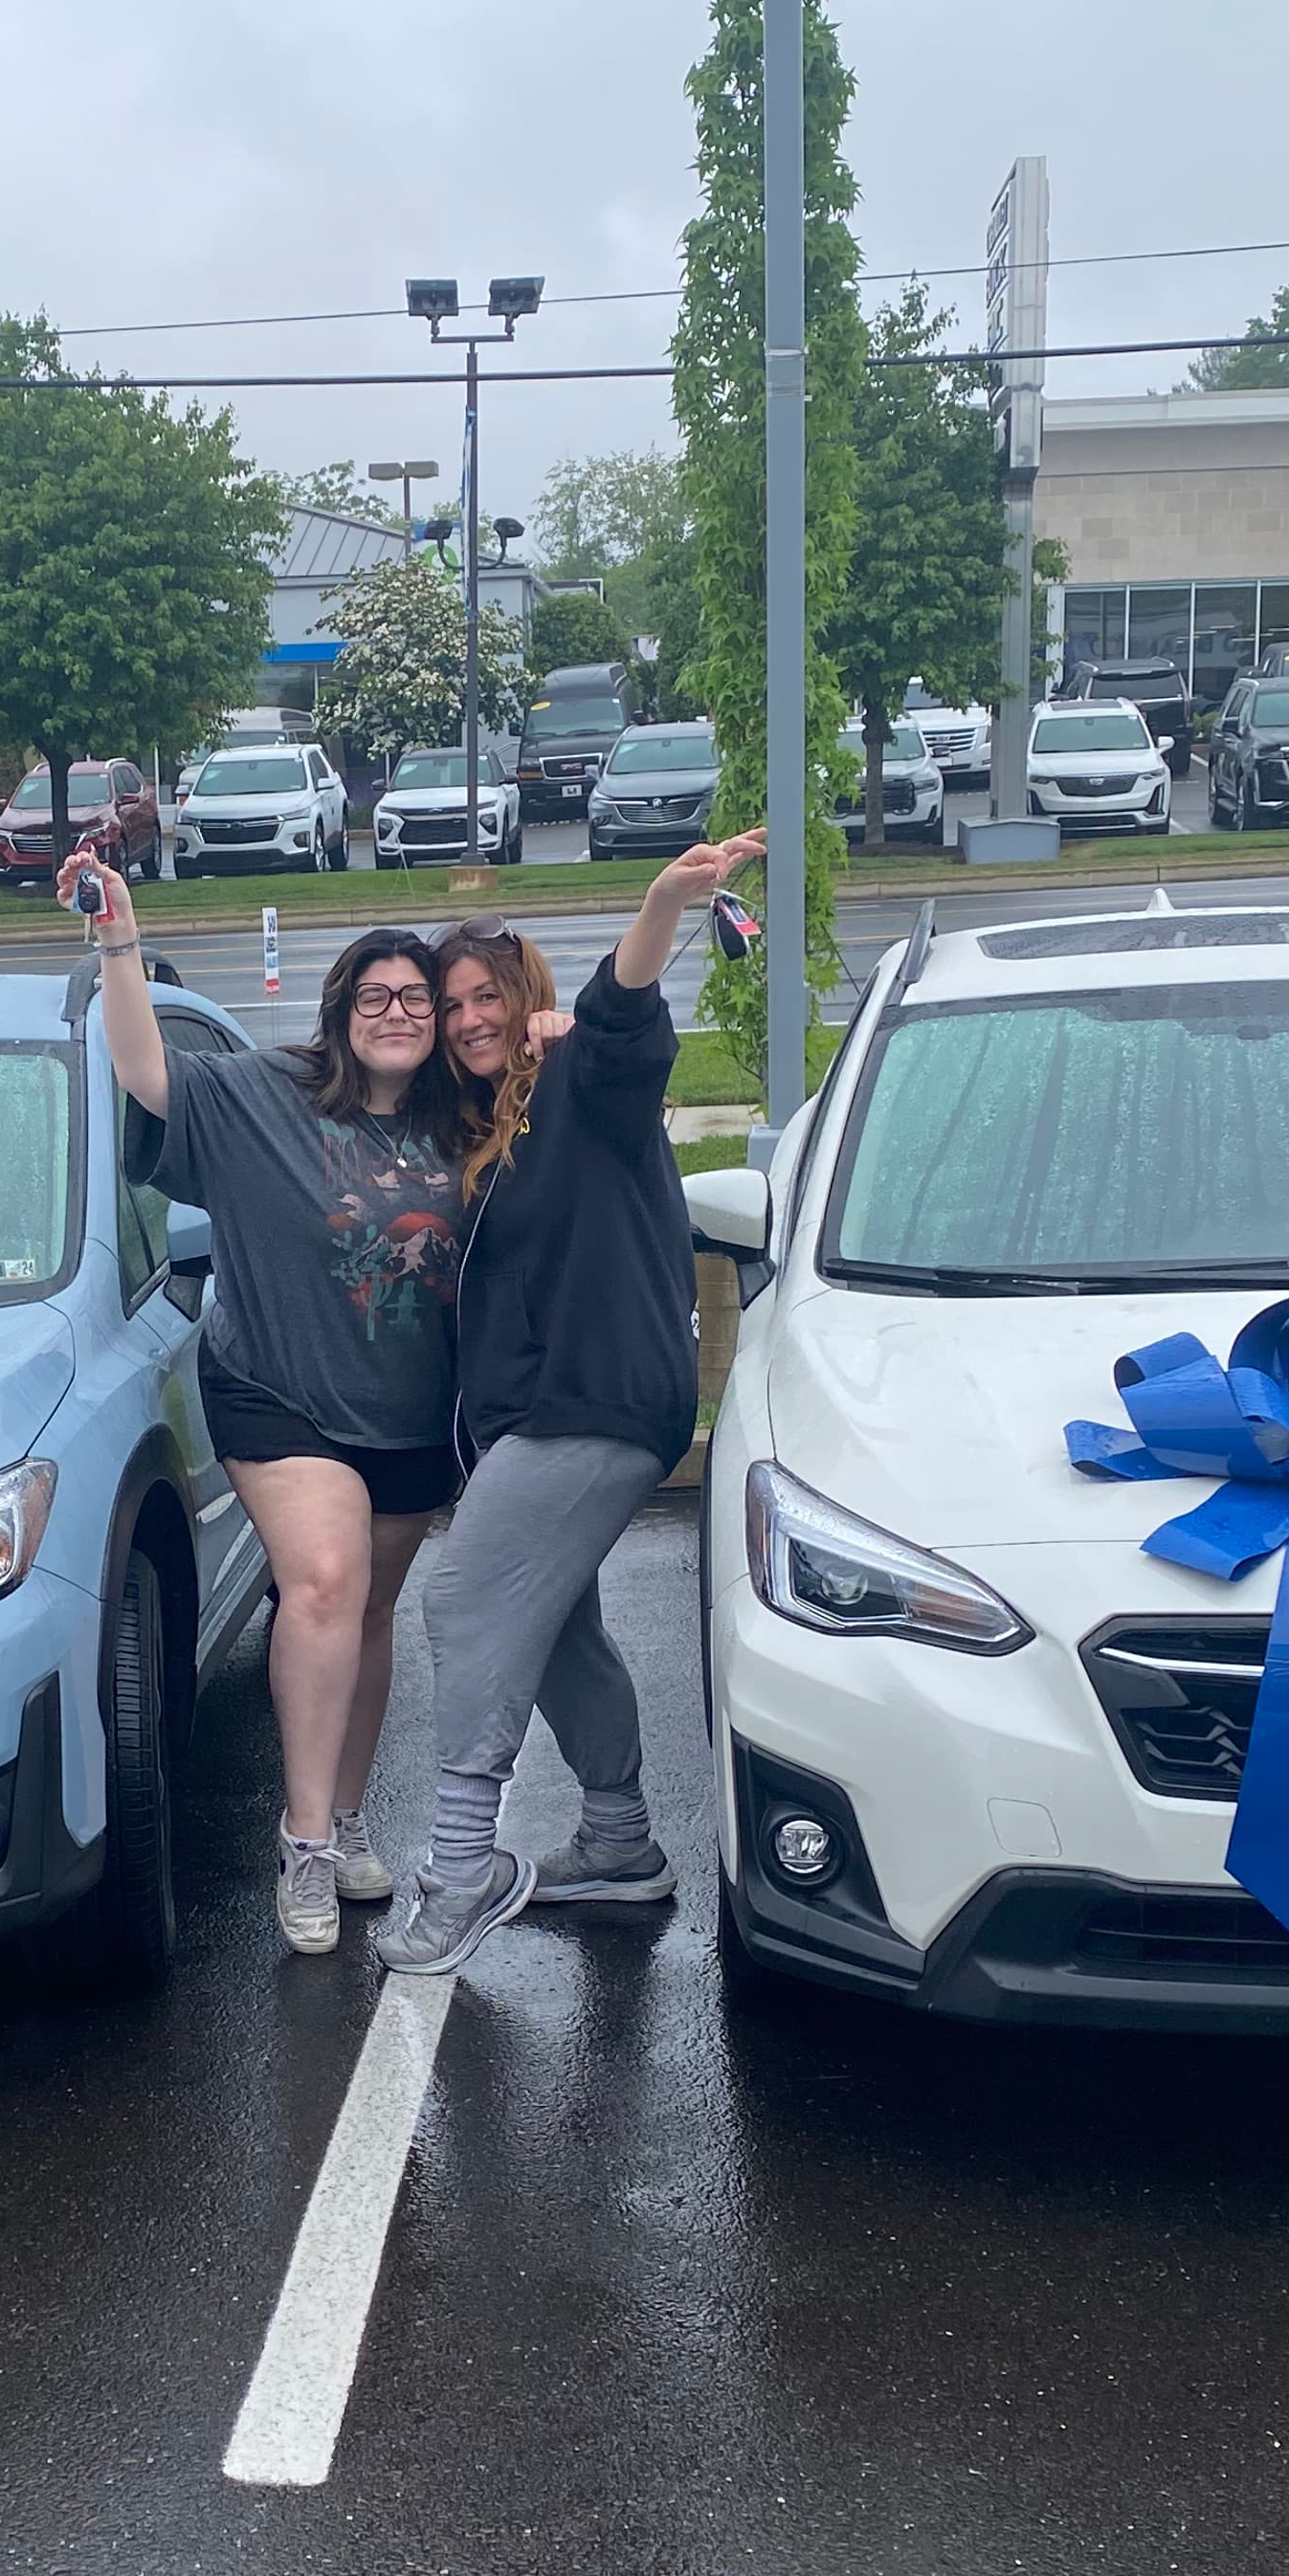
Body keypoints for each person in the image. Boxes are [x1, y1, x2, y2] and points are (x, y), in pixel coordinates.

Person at [372, 832, 767, 1979]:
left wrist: (657, 908)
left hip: (591, 1406)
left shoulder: (585, 1075)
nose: (466, 1019)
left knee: (462, 1604)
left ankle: (461, 1867)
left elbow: (630, 1009)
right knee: (556, 1633)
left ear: (528, 998)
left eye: (485, 997)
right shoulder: (488, 1131)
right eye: (451, 1007)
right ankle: (617, 1841)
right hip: (536, 1418)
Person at [62, 844, 466, 1955]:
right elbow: (145, 1071)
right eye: (374, 995)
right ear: (339, 1014)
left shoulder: (461, 1125)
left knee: (368, 1617)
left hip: (409, 1414)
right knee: (324, 1587)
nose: (397, 1011)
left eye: (415, 998)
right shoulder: (263, 1098)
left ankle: (346, 1812)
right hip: (276, 1394)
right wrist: (120, 939)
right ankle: (303, 1844)